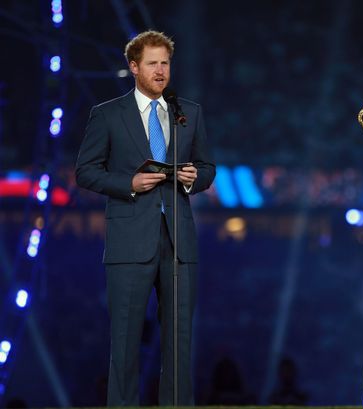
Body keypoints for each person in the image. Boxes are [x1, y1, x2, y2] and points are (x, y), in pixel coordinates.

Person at [75, 30, 216, 406]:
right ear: (134, 67)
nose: (160, 70)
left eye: (165, 63)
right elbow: (86, 172)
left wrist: (194, 178)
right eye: (152, 63)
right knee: (124, 342)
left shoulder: (189, 112)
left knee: (178, 341)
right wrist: (130, 182)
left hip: (179, 242)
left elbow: (207, 167)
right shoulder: (107, 115)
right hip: (128, 243)